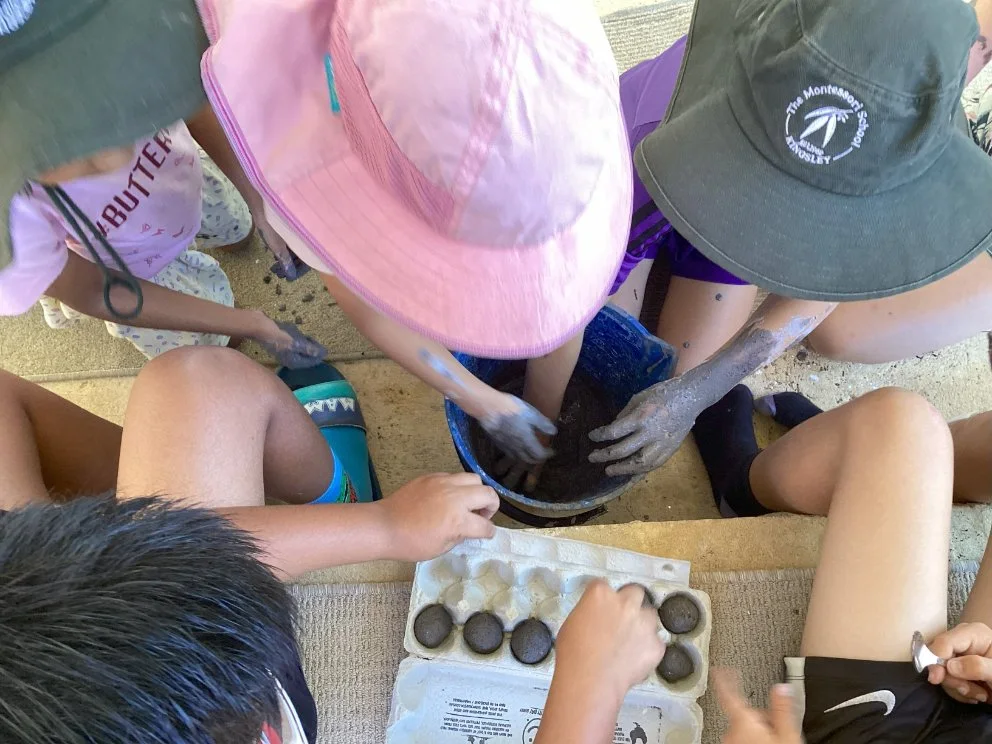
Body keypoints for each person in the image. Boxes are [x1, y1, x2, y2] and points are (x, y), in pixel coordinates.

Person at [194, 0, 632, 468]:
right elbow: (362, 299)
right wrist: (480, 400)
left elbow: (562, 294)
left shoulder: (548, 63)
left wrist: (542, 413)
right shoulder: (299, 93)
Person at [0, 344, 500, 742]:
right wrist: (381, 525)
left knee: (197, 379)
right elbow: (195, 576)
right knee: (204, 385)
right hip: (228, 691)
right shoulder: (199, 681)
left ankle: (131, 505)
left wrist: (389, 526)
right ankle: (338, 497)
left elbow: (186, 567)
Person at [582, 0, 992, 478]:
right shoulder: (647, 138)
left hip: (737, 229)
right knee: (603, 365)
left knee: (669, 378)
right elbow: (581, 293)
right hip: (668, 190)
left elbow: (833, 280)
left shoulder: (889, 155)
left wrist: (696, 392)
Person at [0, 0, 325, 367]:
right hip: (130, 264)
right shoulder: (10, 229)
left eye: (108, 92)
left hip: (182, 175)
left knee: (238, 228)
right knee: (218, 342)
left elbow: (188, 94)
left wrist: (260, 201)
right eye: (58, 141)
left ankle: (235, 242)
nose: (117, 155)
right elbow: (91, 290)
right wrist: (250, 324)